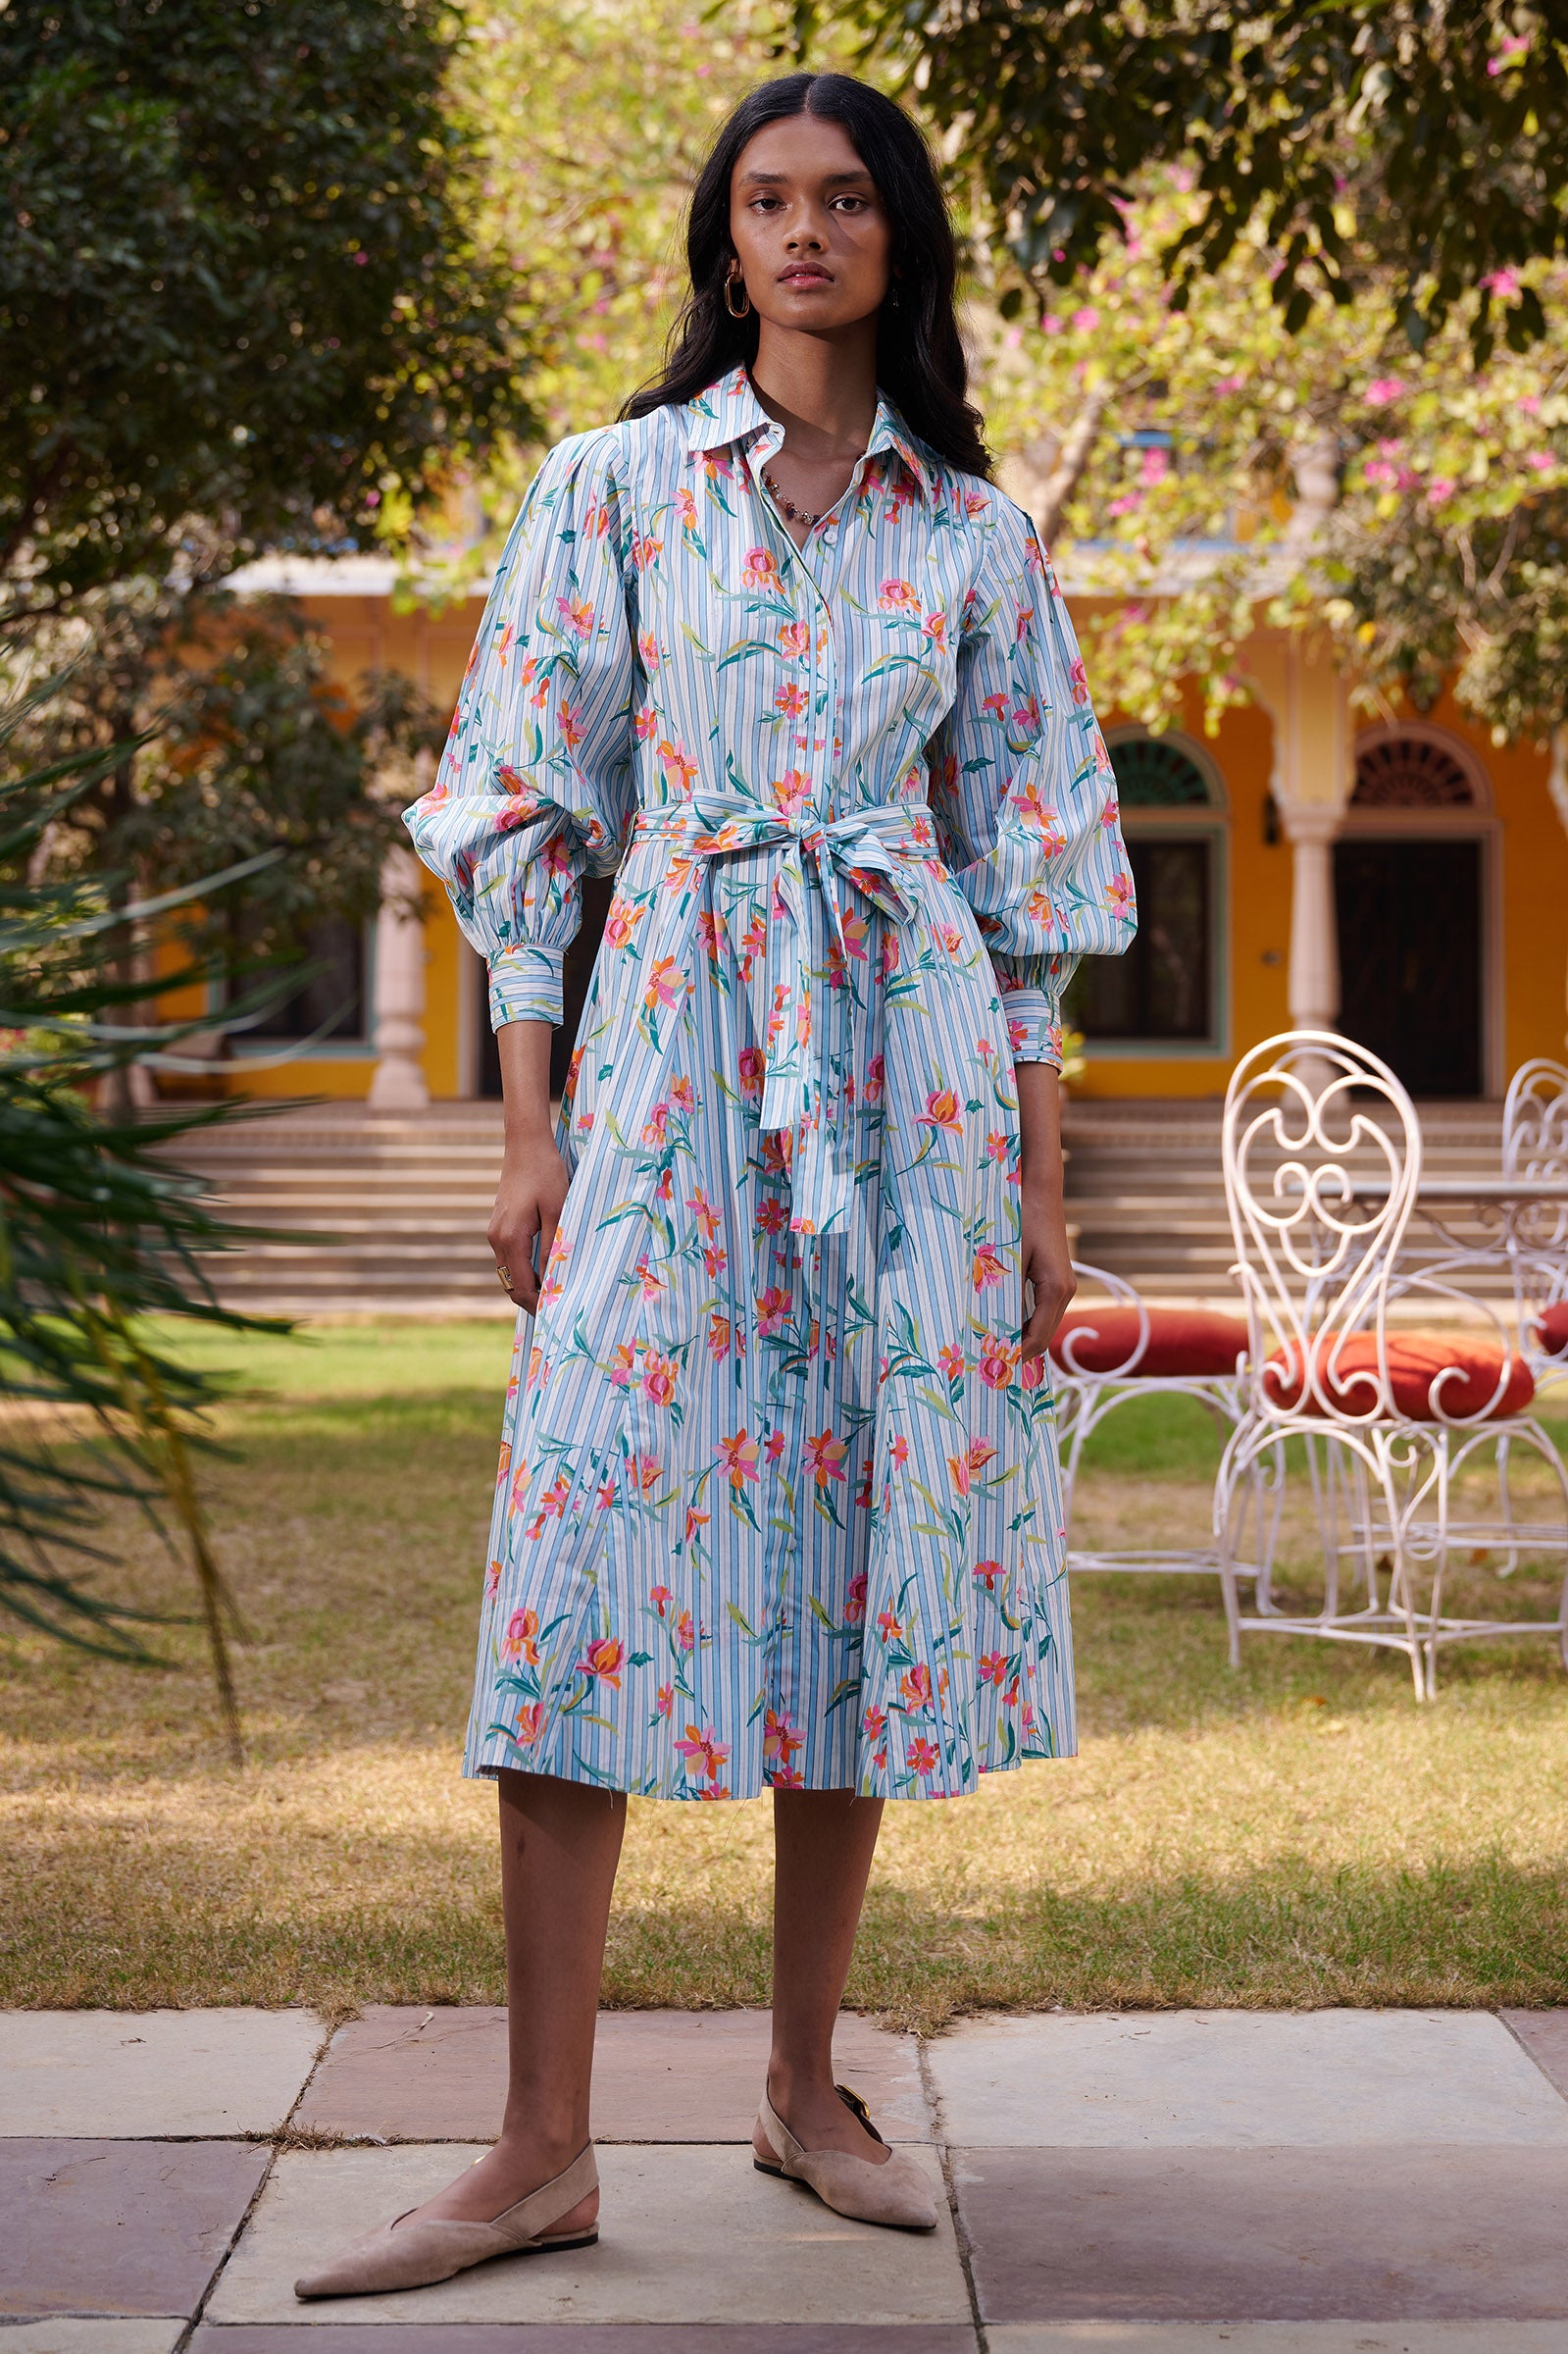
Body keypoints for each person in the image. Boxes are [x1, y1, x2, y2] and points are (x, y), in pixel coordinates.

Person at [295, 68, 1133, 2301]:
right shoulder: (612, 492)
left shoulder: (971, 530)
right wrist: (527, 1117)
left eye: (842, 200)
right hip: (666, 1049)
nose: (799, 235)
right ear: (719, 238)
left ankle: (798, 2082)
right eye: (763, 200)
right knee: (582, 1548)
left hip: (909, 1081)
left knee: (853, 1540)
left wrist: (1038, 1200)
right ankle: (539, 2143)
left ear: (894, 241)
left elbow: (1030, 878)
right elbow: (524, 814)